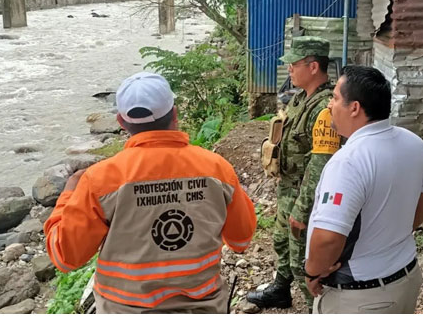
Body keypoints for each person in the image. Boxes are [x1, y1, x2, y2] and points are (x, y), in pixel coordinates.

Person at [44, 72, 257, 313]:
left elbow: (65, 257)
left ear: (121, 123)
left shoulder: (100, 179)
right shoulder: (218, 170)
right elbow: (241, 240)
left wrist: (68, 196)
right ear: (175, 114)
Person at [305, 66, 423, 313]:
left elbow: (327, 238)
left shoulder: (348, 161)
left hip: (361, 297)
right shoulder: (413, 143)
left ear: (355, 108)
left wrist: (313, 271)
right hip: (404, 279)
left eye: (335, 98)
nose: (329, 105)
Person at [247, 36, 341, 311]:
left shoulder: (324, 109)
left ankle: (319, 307)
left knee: (304, 260)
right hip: (288, 187)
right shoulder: (300, 99)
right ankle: (280, 289)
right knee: (282, 243)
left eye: (293, 64)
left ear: (313, 67)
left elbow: (320, 164)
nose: (289, 69)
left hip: (305, 195)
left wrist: (302, 209)